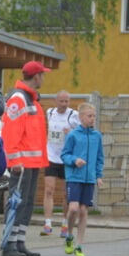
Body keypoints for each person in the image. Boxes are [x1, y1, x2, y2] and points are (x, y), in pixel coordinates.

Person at [0, 60, 51, 256]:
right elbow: (11, 133)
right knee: (17, 203)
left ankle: (19, 241)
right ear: (36, 76)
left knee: (27, 203)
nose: (44, 78)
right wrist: (14, 161)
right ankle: (8, 244)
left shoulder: (31, 100)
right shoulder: (19, 99)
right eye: (43, 75)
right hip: (21, 164)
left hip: (31, 163)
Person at [61, 103, 104, 256]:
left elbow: (100, 158)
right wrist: (74, 160)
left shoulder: (97, 136)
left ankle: (79, 246)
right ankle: (69, 235)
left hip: (89, 179)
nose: (92, 119)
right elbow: (64, 155)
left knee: (84, 211)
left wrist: (98, 176)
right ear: (81, 117)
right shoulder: (73, 135)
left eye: (94, 116)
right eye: (89, 116)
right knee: (73, 209)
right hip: (74, 177)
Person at [42, 90, 80, 237]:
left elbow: (80, 133)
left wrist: (70, 131)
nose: (64, 104)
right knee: (49, 190)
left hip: (66, 158)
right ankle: (47, 223)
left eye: (67, 101)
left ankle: (65, 224)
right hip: (51, 156)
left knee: (66, 193)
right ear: (55, 101)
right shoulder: (50, 112)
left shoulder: (73, 115)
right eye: (62, 101)